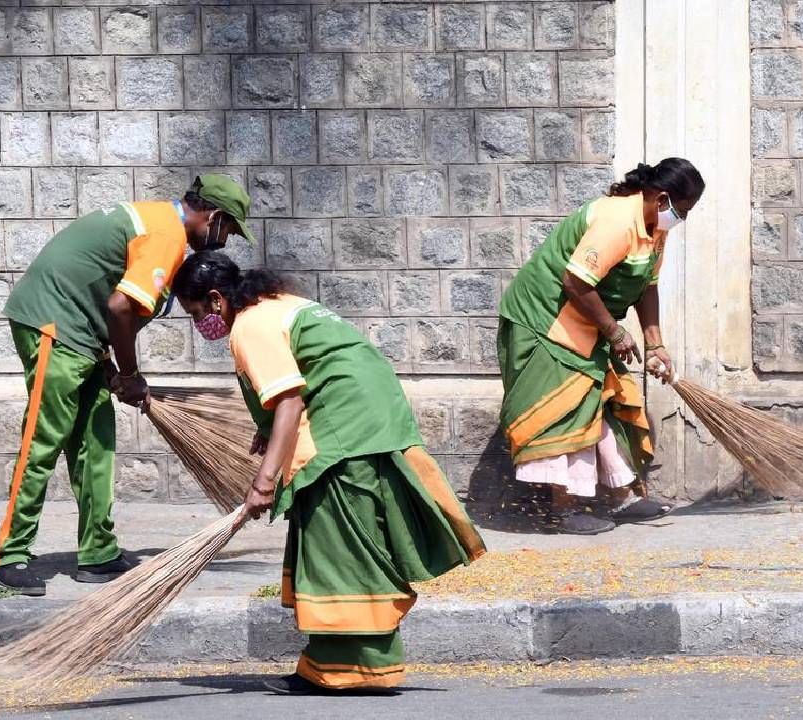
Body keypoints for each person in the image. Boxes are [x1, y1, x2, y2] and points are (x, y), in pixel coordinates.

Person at [172, 251, 486, 695]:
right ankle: (327, 665)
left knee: (341, 547)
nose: (200, 323)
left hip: (343, 431)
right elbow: (307, 374)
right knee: (344, 540)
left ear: (217, 299)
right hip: (370, 418)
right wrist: (269, 437)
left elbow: (289, 401)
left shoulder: (250, 326)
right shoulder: (277, 303)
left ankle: (352, 671)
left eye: (196, 312)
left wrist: (263, 482)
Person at [0, 175, 255, 596]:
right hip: (51, 324)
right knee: (44, 438)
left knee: (96, 441)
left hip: (80, 332)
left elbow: (108, 302)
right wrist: (129, 375)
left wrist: (111, 366)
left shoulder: (158, 223)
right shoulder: (166, 235)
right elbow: (119, 307)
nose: (226, 239)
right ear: (214, 216)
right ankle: (8, 554)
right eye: (229, 229)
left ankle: (97, 552)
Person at [497, 158, 705, 535]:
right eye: (683, 210)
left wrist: (656, 344)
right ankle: (563, 509)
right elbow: (576, 282)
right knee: (567, 409)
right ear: (661, 199)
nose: (682, 219)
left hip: (586, 322)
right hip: (546, 320)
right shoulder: (615, 222)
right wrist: (614, 332)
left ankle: (621, 496)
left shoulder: (656, 229)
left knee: (605, 399)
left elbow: (648, 287)